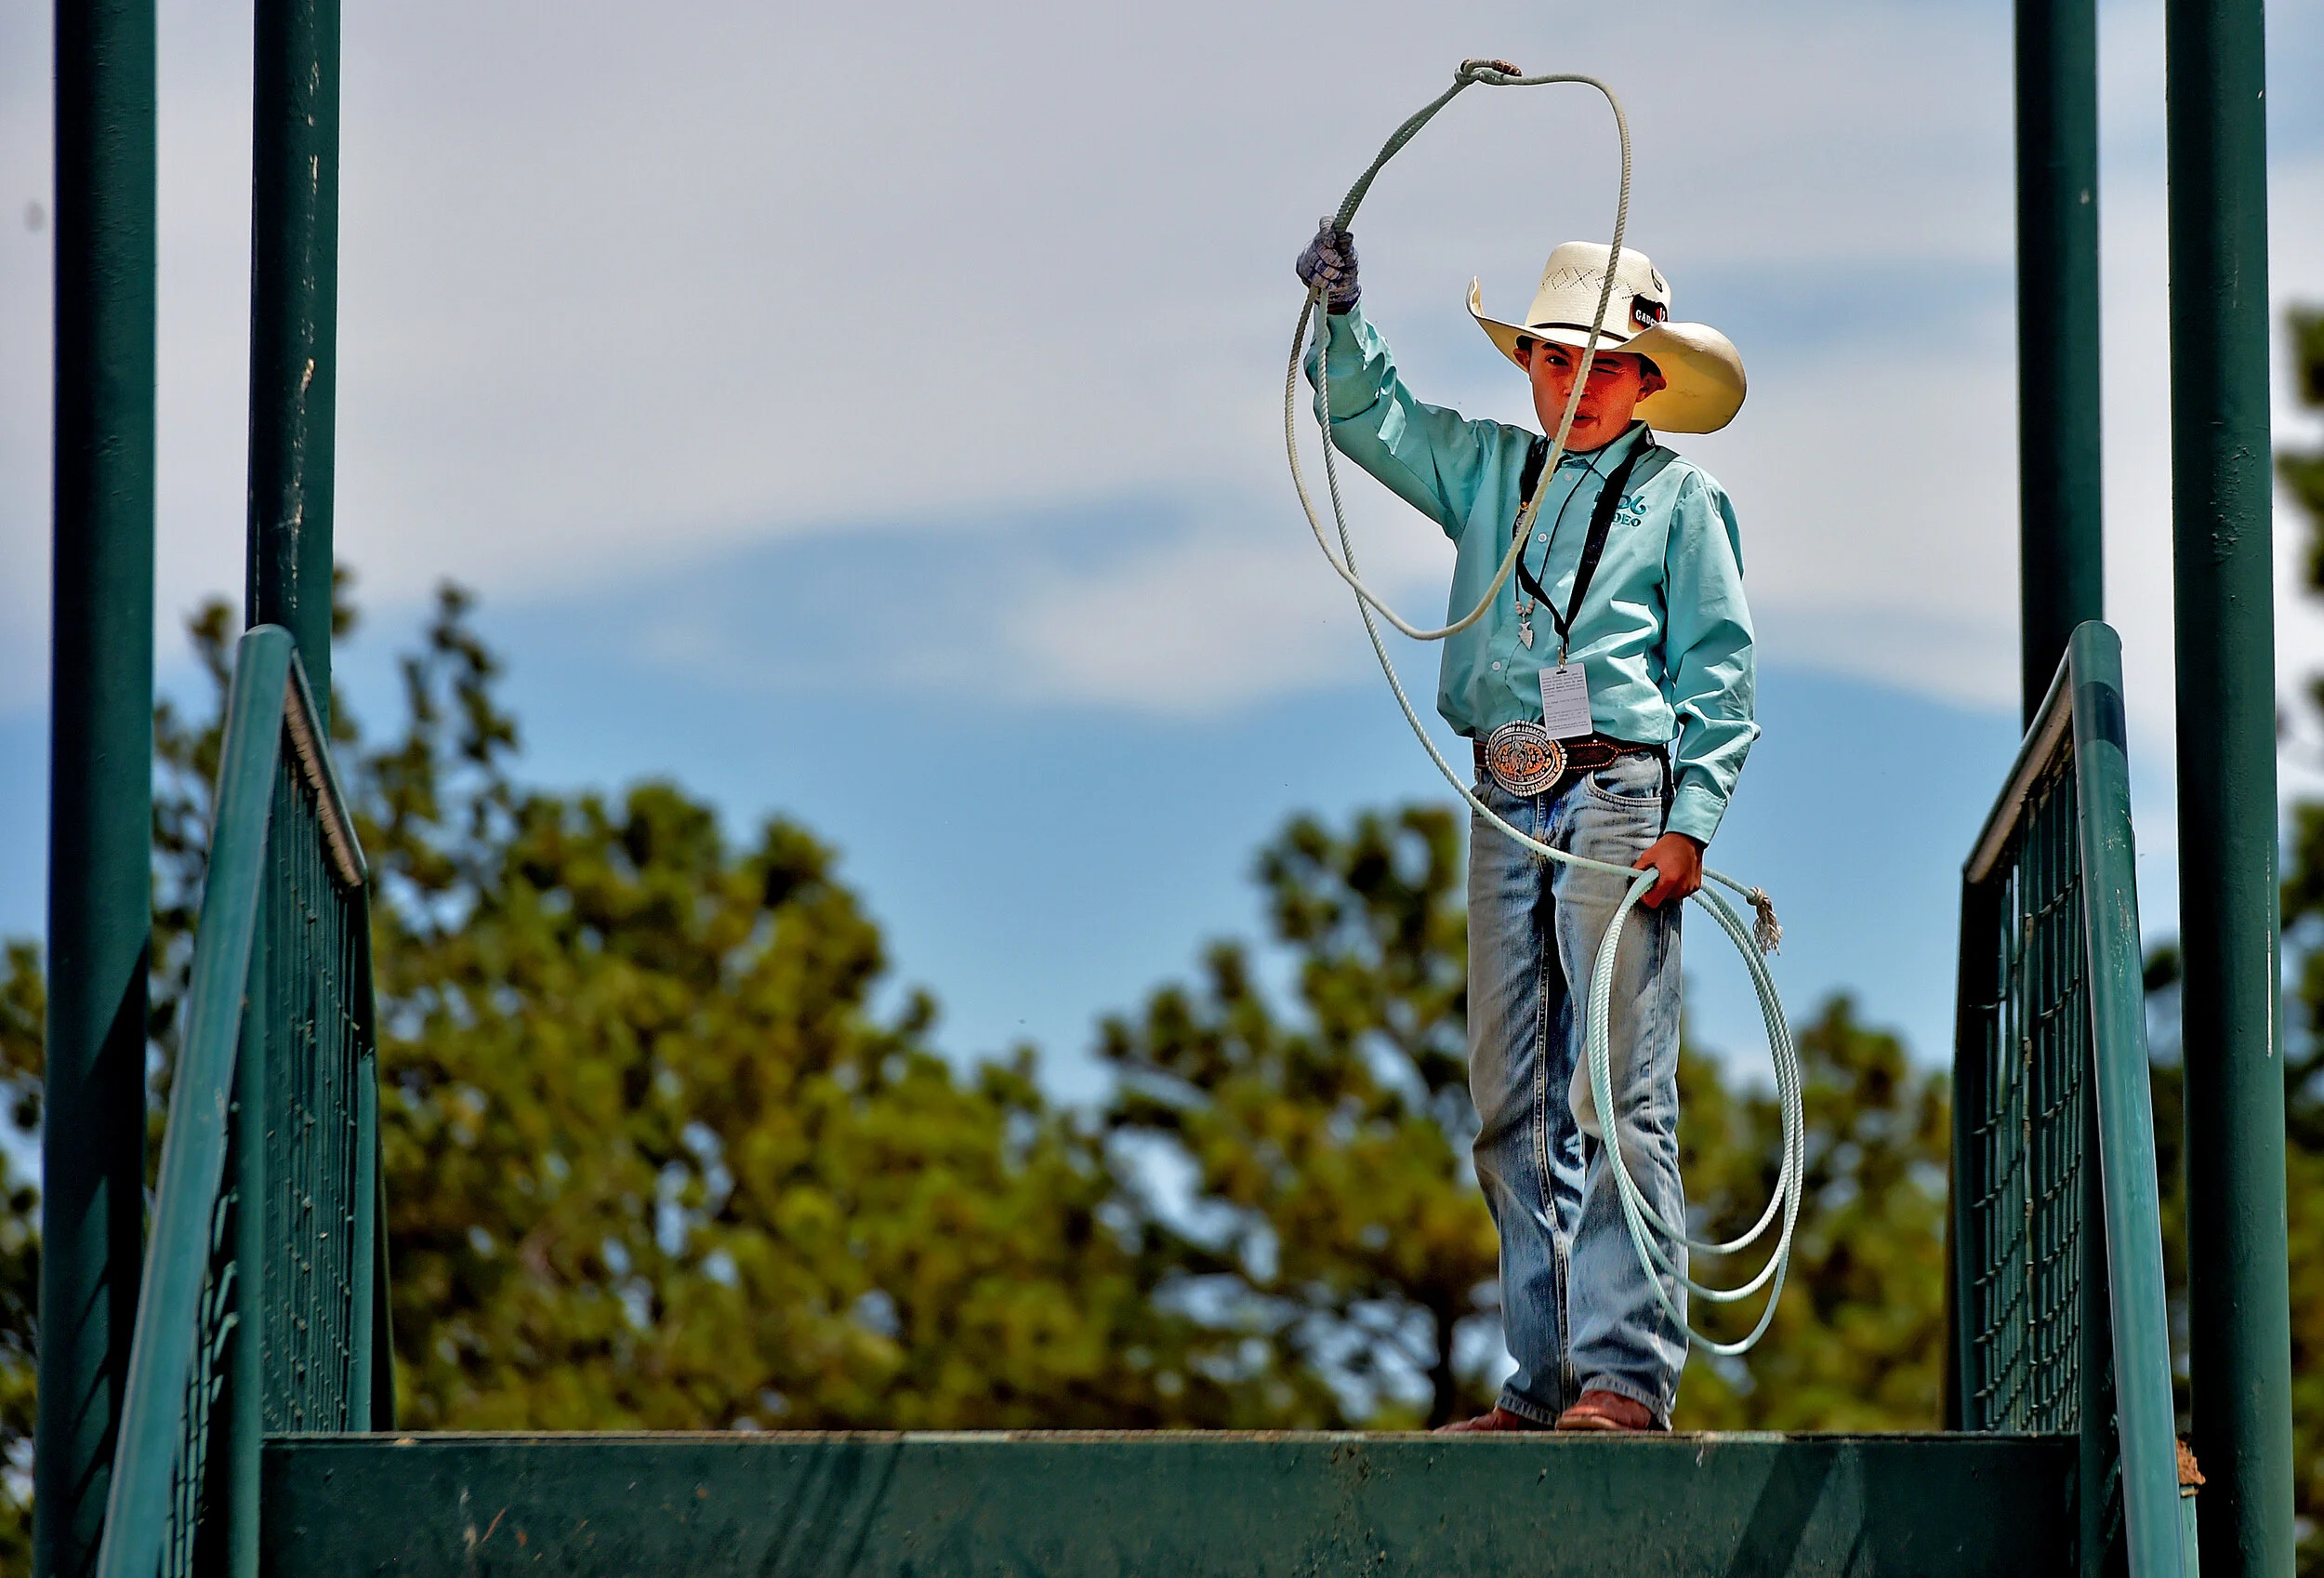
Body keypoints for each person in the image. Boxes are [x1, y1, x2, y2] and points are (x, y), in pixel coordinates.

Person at [1297, 224, 1755, 1432]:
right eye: (1559, 360)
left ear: (1651, 379)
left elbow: (1717, 671)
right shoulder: (1486, 469)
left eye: (1606, 366)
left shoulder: (1684, 501)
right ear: (1530, 367)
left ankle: (1621, 1378)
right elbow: (1372, 420)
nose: (1578, 386)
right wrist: (1341, 322)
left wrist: (1690, 819)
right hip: (1506, 794)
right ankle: (1543, 1382)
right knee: (1512, 1104)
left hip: (1617, 791)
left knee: (1615, 1093)